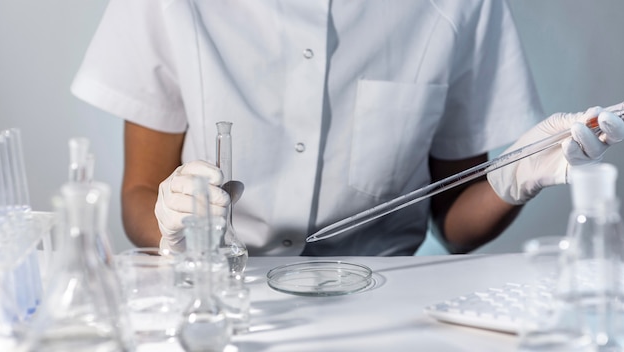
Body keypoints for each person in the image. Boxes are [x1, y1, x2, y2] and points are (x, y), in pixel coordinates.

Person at [71, 0, 624, 256]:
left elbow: (456, 227)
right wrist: (175, 229)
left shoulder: (459, 5)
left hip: (381, 309)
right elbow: (140, 194)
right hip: (217, 299)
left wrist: (516, 179)